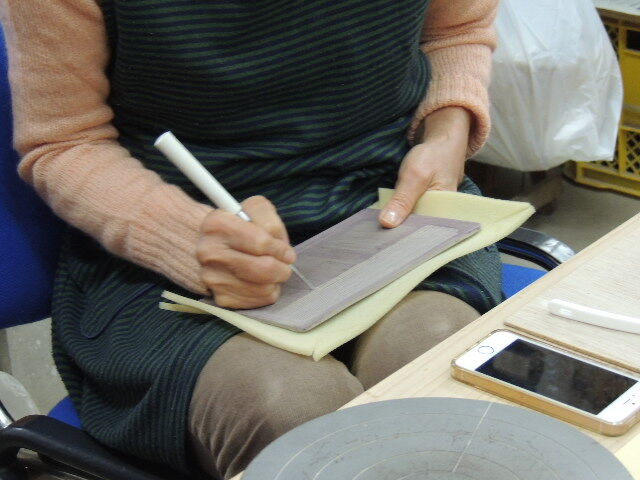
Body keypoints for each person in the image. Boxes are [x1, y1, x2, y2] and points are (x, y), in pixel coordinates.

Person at [1, 0, 500, 478]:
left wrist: (447, 132)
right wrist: (184, 238)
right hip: (170, 259)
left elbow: (455, 31)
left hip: (384, 207)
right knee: (292, 411)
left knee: (438, 358)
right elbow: (65, 141)